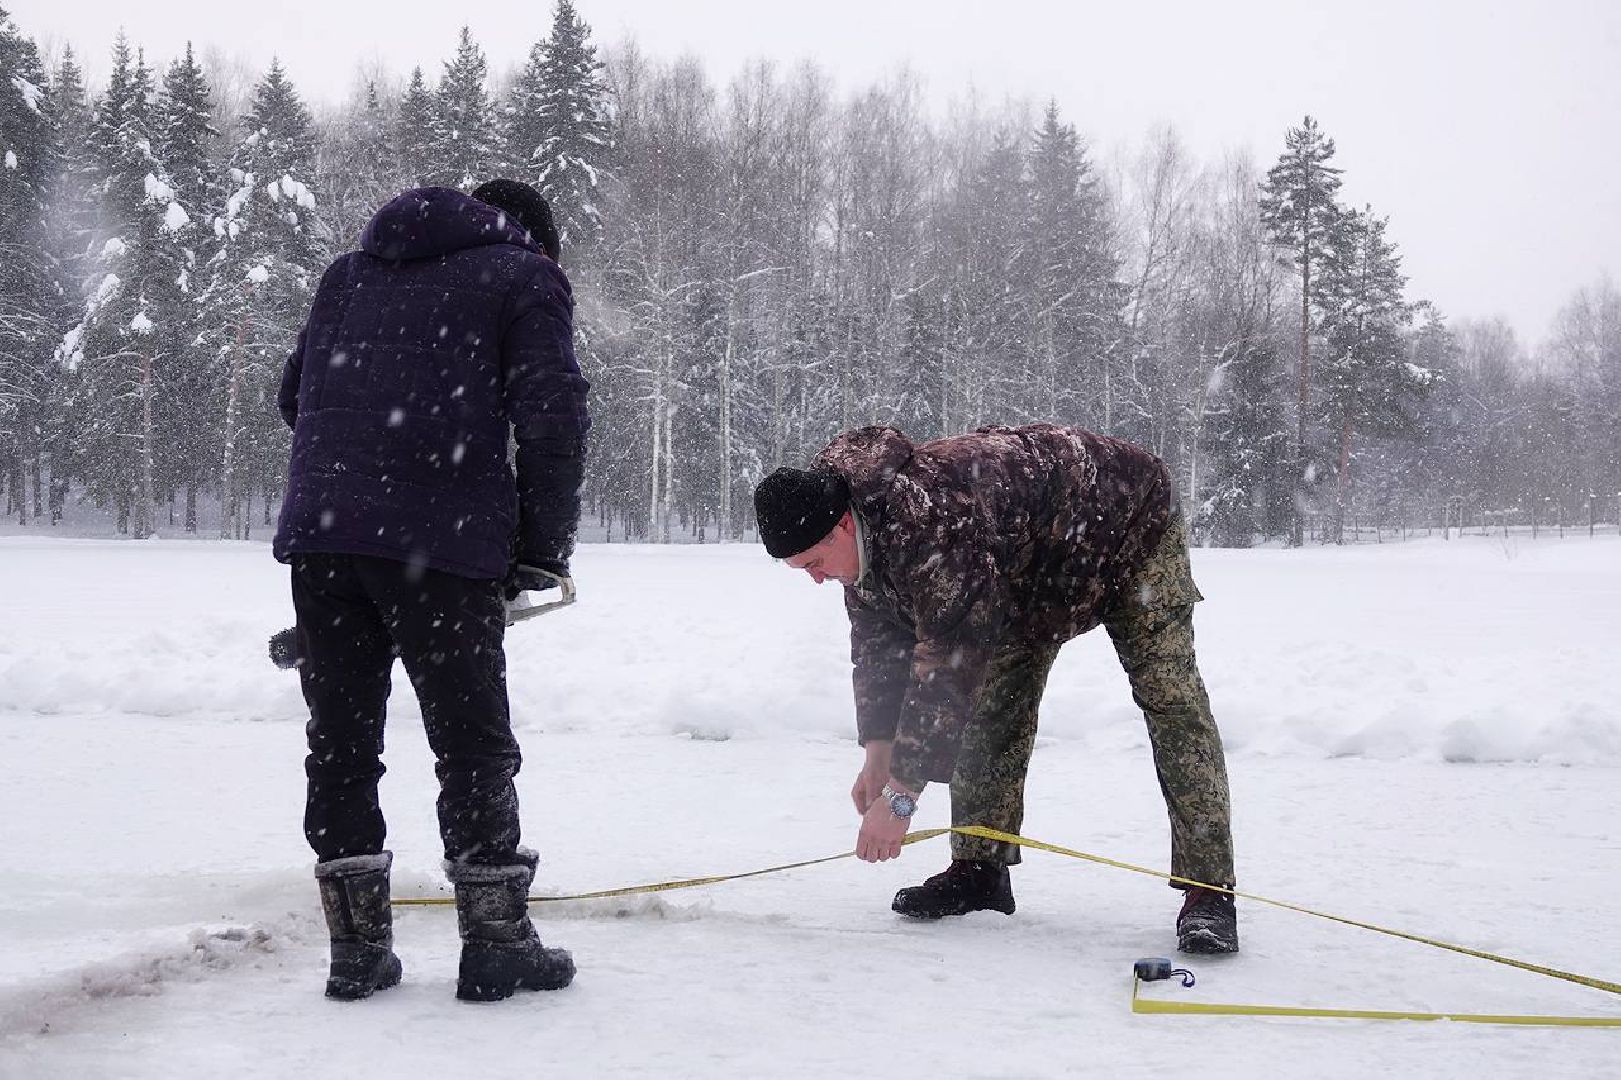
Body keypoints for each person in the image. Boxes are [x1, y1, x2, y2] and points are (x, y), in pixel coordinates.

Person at [273, 180, 590, 1000]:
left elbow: (294, 396)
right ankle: (495, 943)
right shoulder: (524, 274)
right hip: (440, 546)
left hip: (325, 537)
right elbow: (552, 419)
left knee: (341, 744)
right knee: (471, 743)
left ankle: (355, 952)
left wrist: (363, 471)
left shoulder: (349, 273)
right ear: (531, 238)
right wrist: (541, 552)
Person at [752, 423, 1238, 954]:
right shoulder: (860, 540)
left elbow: (946, 670)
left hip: (1126, 524)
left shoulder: (931, 523)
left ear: (843, 525)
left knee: (1171, 699)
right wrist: (878, 754)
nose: (816, 578)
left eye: (815, 564)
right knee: (992, 706)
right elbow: (878, 651)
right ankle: (979, 871)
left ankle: (1209, 891)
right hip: (1025, 566)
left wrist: (900, 798)